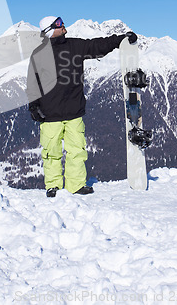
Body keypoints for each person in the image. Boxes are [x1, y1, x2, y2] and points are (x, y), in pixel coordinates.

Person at [26, 16, 137, 197]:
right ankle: (53, 186)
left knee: (77, 151)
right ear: (49, 30)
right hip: (49, 114)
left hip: (73, 112)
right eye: (59, 24)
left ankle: (76, 185)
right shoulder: (38, 53)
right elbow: (33, 82)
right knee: (51, 153)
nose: (64, 26)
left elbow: (97, 46)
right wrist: (33, 105)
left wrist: (120, 39)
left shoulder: (75, 46)